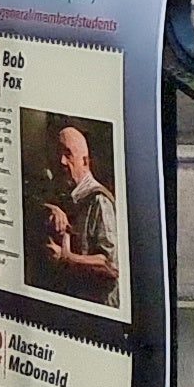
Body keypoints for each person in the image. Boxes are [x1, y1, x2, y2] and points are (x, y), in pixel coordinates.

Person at [35, 124, 119, 300]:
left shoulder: (99, 201)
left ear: (85, 161)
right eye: (58, 154)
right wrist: (51, 208)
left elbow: (110, 266)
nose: (61, 161)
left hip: (99, 306)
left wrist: (66, 258)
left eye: (68, 154)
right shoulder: (64, 194)